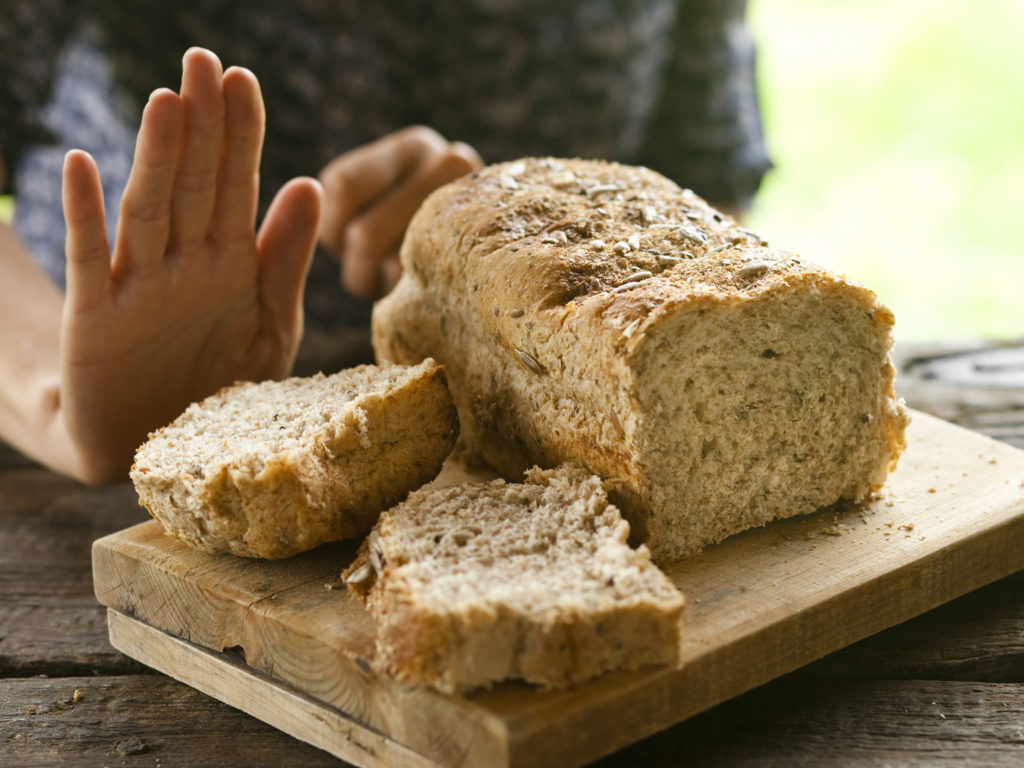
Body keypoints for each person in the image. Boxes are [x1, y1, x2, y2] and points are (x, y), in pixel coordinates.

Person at [0, 1, 771, 484]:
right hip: (60, 481)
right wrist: (56, 398)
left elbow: (705, 185)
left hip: (539, 468)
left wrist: (498, 233)